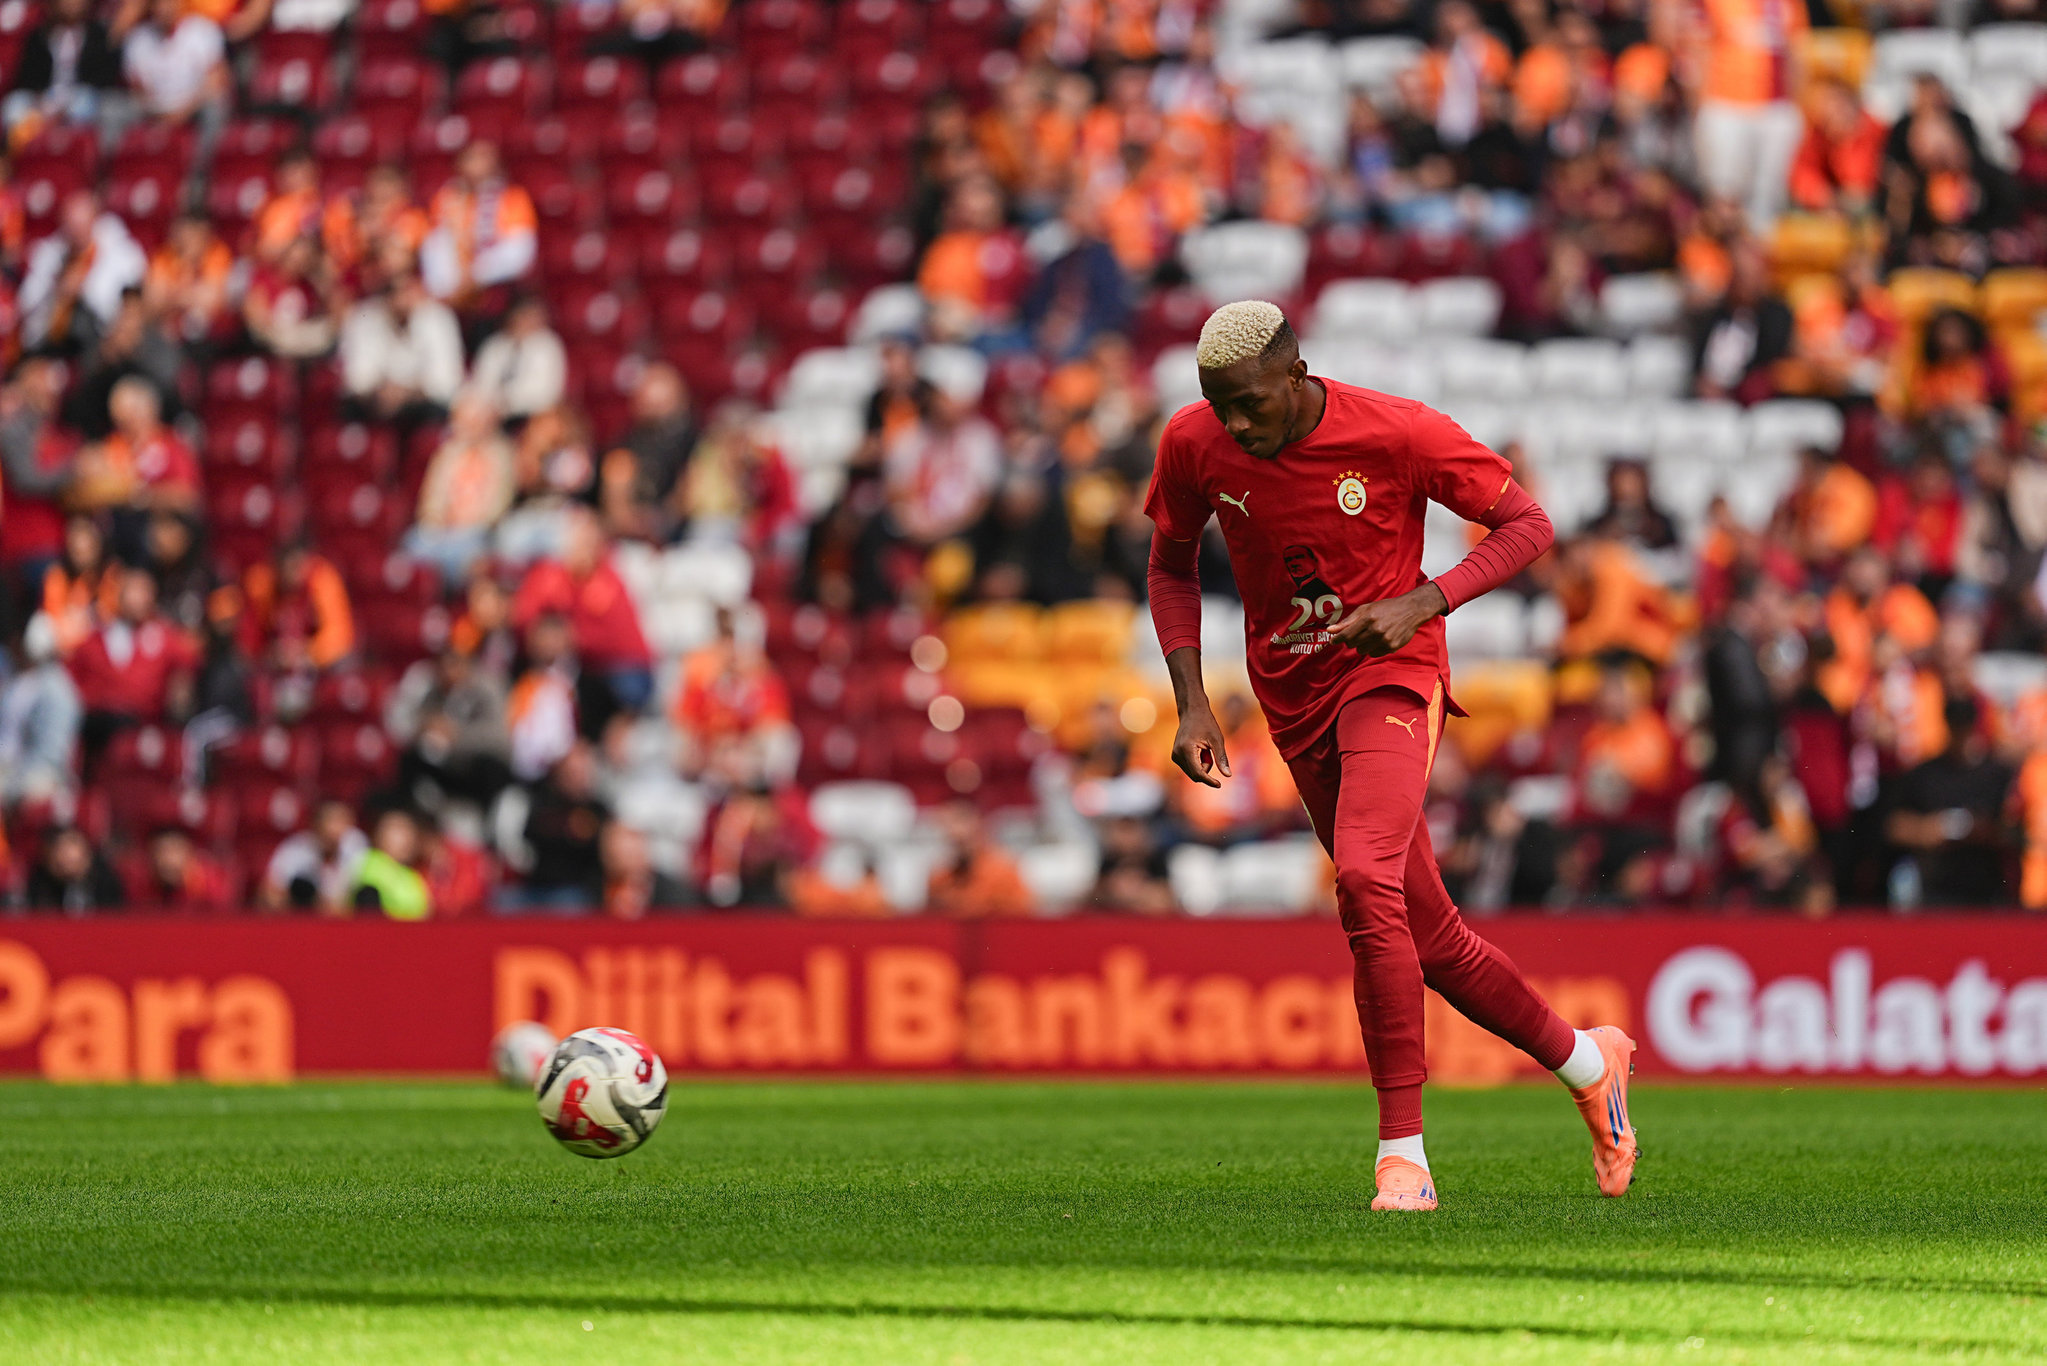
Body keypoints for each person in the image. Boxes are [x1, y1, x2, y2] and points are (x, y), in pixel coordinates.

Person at [1145, 300, 1636, 1212]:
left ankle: (1401, 1156)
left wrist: (1423, 602)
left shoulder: (1398, 431)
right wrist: (1192, 700)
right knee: (1432, 941)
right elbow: (1170, 565)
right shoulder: (1192, 442)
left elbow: (1528, 524)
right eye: (1220, 406)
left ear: (1296, 374)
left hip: (1390, 676)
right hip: (1290, 698)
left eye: (1250, 403)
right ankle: (1586, 1063)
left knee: (1365, 878)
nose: (1235, 424)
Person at [260, 797, 367, 911]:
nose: (336, 829)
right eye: (331, 821)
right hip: (304, 915)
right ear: (316, 825)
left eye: (342, 821)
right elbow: (270, 893)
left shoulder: (357, 845)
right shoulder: (296, 849)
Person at [21, 825, 126, 912]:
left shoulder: (106, 879)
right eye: (59, 848)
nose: (65, 854)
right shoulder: (41, 883)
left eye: (71, 845)